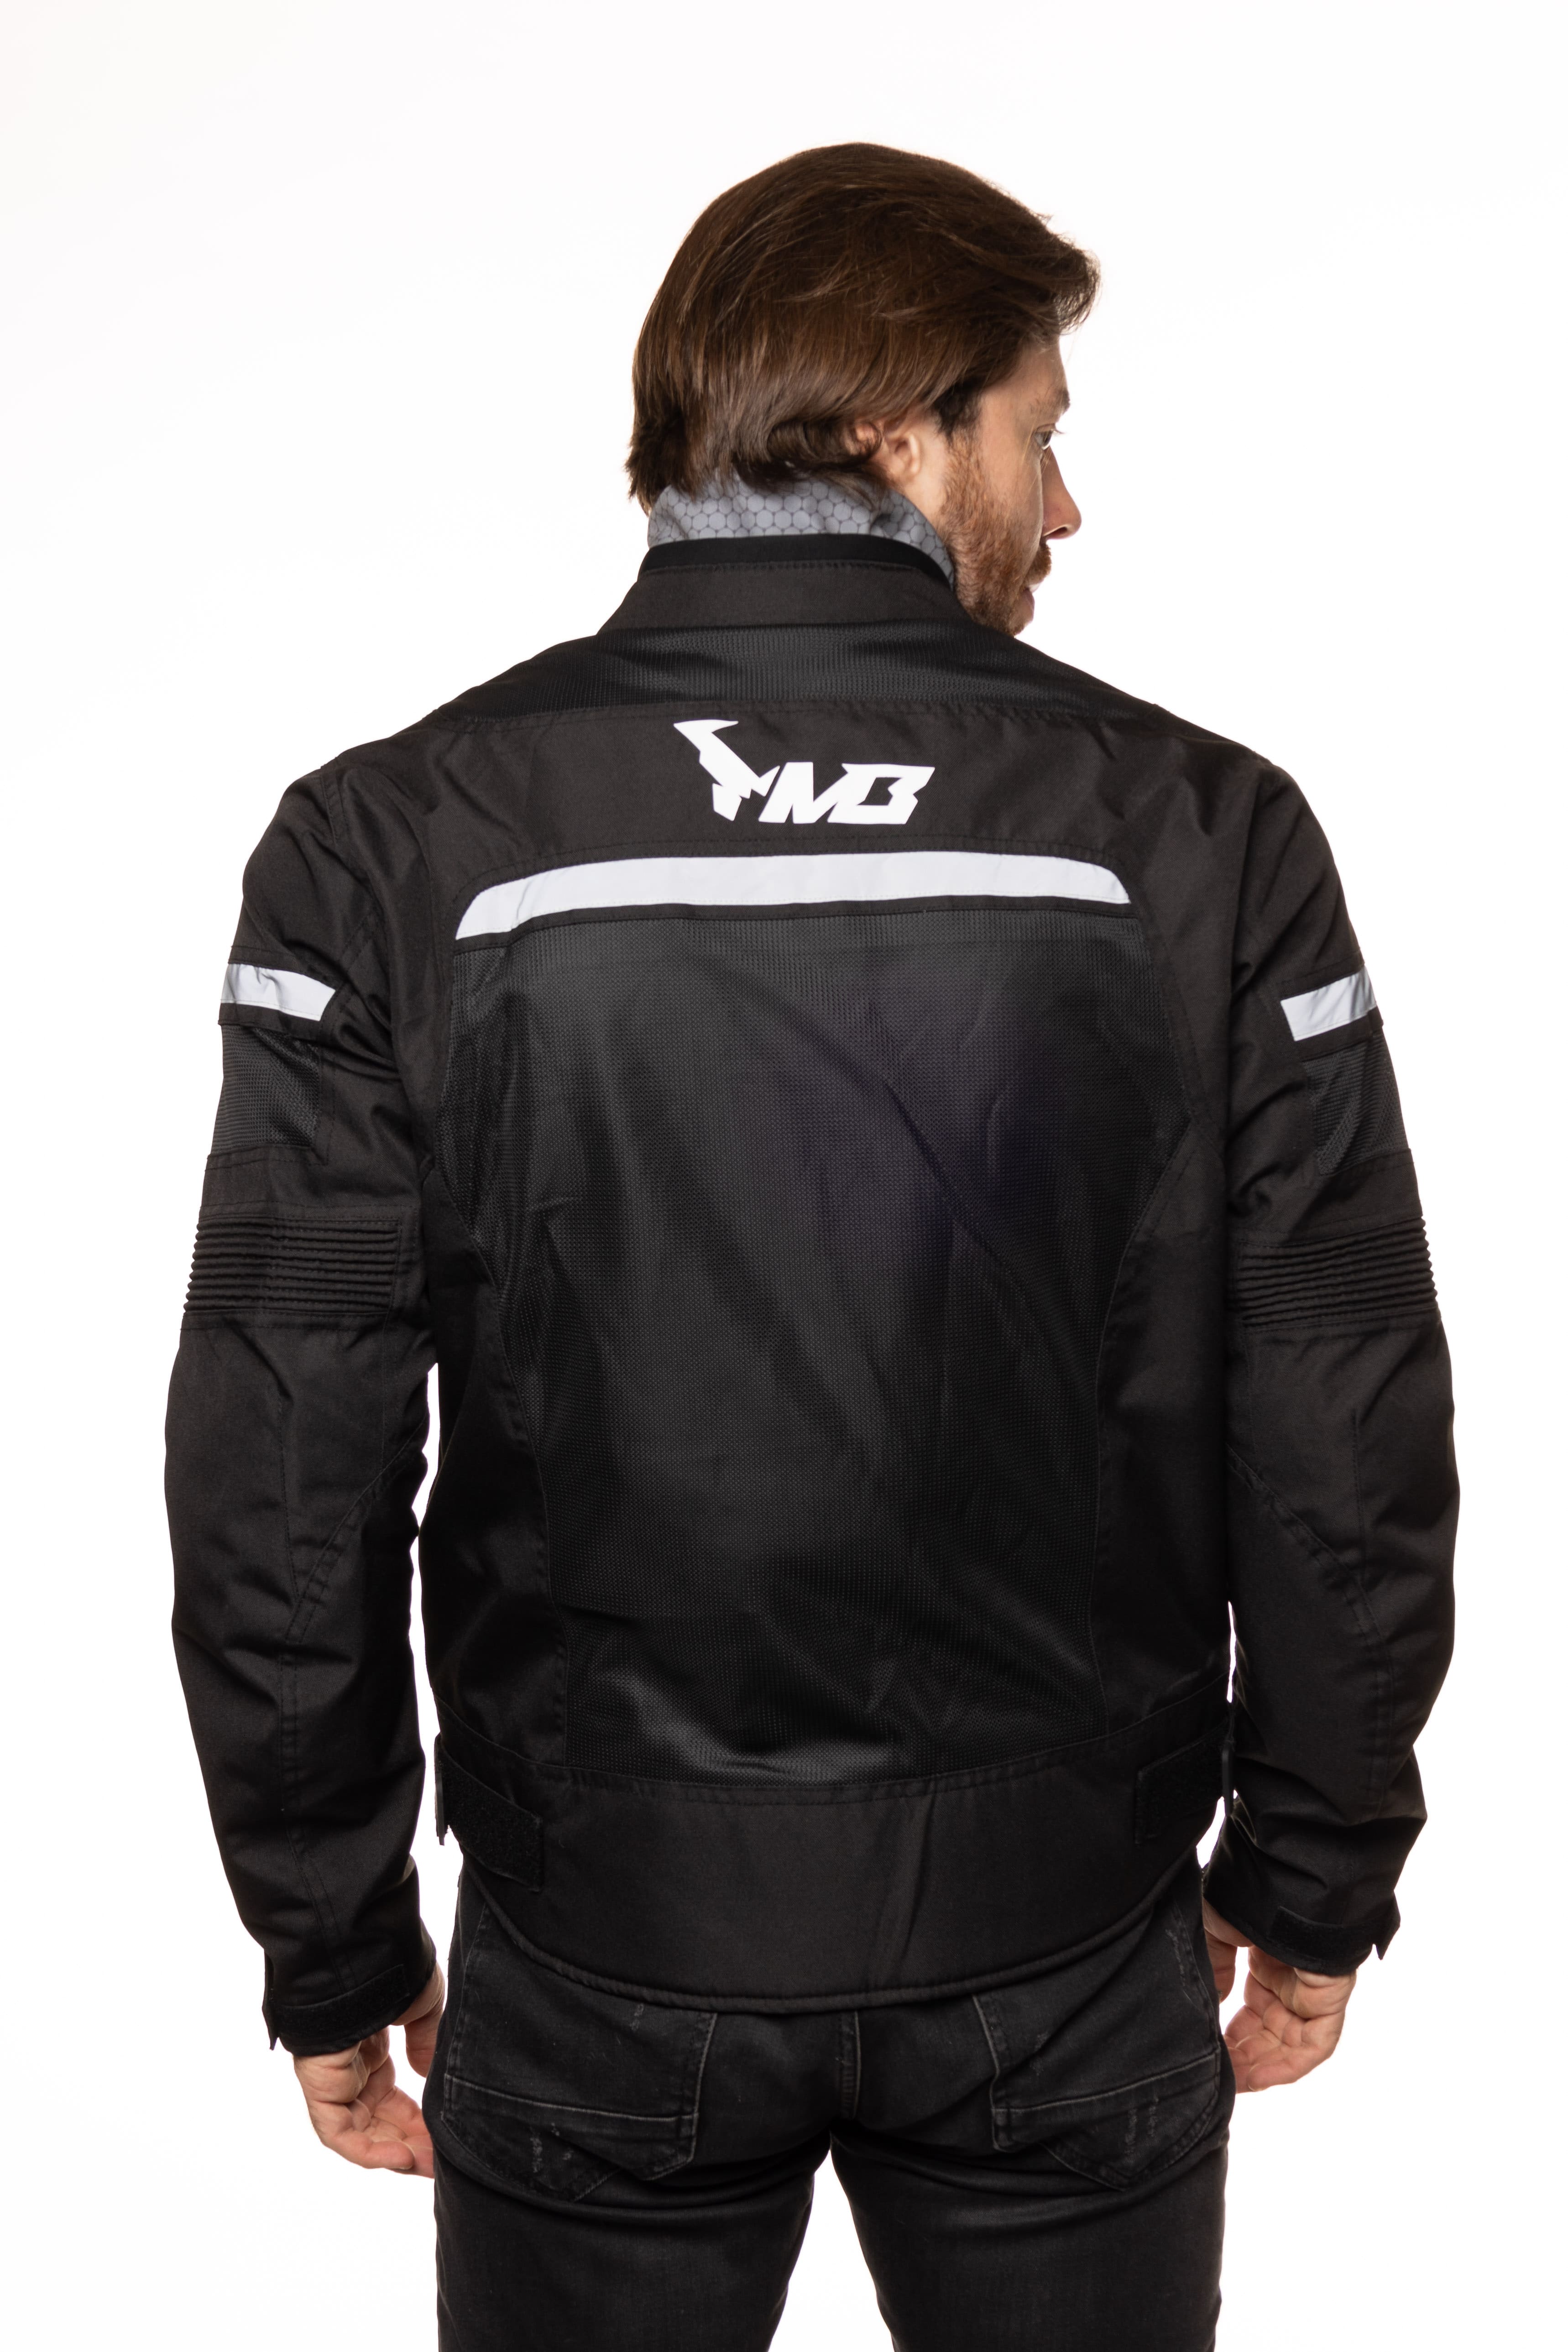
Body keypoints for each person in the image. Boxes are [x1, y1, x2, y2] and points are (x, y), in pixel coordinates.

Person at [166, 144, 1457, 2351]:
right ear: (895, 427)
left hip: (606, 1943)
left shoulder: (394, 840)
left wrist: (331, 1930)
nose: (1064, 507)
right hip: (1064, 1939)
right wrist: (1315, 1868)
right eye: (1039, 432)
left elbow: (287, 1443)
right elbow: (1335, 1392)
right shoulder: (1195, 832)